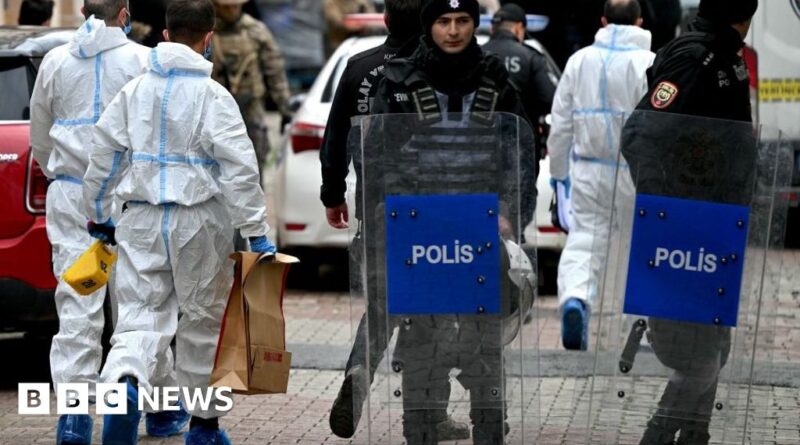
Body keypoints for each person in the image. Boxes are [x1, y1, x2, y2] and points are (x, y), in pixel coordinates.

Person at [81, 0, 276, 444]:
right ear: (209, 38)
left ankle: (127, 384)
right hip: (199, 222)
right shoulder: (214, 97)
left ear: (166, 35)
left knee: (138, 318)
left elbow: (103, 157)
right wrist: (256, 231)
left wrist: (98, 215)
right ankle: (204, 430)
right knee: (202, 324)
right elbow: (240, 169)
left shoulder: (134, 92)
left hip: (142, 220)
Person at [371, 0, 533, 442]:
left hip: (480, 230)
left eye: (463, 21)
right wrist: (394, 210)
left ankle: (490, 428)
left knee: (483, 337)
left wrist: (510, 212)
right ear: (430, 25)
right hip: (420, 231)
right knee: (422, 338)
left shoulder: (495, 79)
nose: (454, 30)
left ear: (475, 25)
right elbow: (377, 153)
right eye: (444, 21)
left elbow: (518, 149)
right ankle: (420, 427)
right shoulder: (400, 78)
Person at [26, 1, 177, 443]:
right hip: (130, 196)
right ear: (124, 13)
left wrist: (64, 175)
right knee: (140, 304)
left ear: (82, 11)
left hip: (72, 194)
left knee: (77, 305)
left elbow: (40, 135)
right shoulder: (140, 60)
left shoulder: (55, 61)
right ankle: (160, 408)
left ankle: (74, 420)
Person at [320, 0, 469, 440]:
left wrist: (333, 193)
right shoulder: (440, 69)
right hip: (438, 205)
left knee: (383, 305)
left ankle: (359, 371)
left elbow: (336, 137)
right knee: (436, 311)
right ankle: (426, 415)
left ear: (385, 19)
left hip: (378, 204)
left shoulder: (359, 66)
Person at [622, 0, 758, 443]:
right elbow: (642, 134)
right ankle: (658, 435)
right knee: (698, 358)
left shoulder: (724, 53)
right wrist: (666, 210)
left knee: (717, 345)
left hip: (718, 224)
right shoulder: (694, 57)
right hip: (684, 226)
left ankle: (695, 435)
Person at [547, 0, 654, 351]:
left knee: (585, 240)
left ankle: (575, 299)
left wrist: (558, 174)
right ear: (640, 21)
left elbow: (561, 124)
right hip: (636, 170)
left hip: (589, 168)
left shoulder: (579, 62)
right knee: (638, 246)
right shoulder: (649, 63)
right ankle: (639, 328)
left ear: (603, 21)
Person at [211, 0, 293, 175]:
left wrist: (285, 109)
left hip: (251, 107)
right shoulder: (206, 32)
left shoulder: (255, 30)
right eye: (227, 7)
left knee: (255, 160)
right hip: (215, 108)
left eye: (236, 6)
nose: (233, 11)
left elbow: (275, 71)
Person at [482, 2, 557, 165]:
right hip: (521, 146)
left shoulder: (476, 55)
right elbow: (550, 100)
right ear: (518, 27)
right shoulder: (530, 56)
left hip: (481, 146)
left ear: (493, 28)